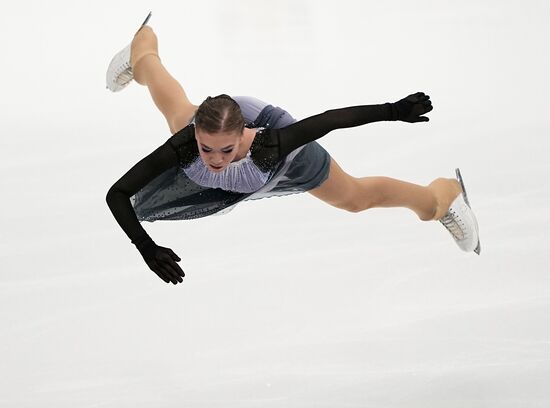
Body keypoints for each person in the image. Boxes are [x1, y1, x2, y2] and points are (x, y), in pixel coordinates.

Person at [105, 15, 481, 285]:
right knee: (178, 114)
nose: (216, 161)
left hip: (273, 145)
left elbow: (331, 119)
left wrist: (394, 111)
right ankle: (143, 49)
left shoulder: (275, 145)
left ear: (241, 137)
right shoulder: (190, 142)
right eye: (207, 150)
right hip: (219, 123)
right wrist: (146, 247)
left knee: (353, 197)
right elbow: (117, 193)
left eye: (224, 151)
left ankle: (440, 197)